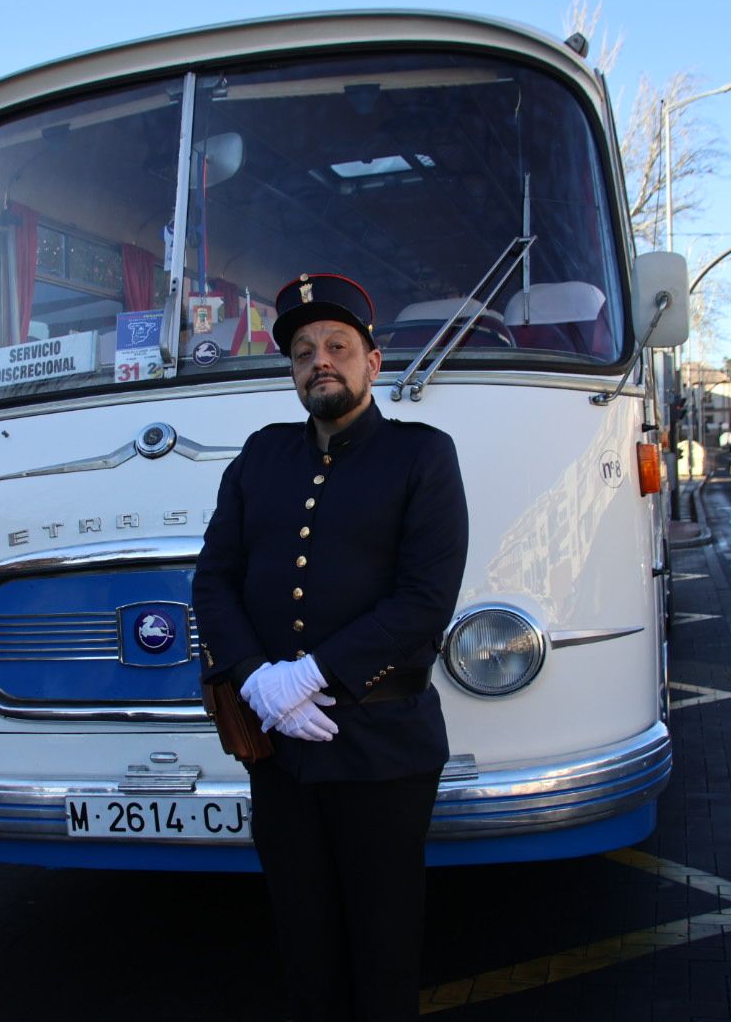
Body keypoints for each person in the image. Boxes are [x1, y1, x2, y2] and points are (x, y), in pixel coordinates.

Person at [193, 272, 469, 1021]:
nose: (321, 360)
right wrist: (256, 684)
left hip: (382, 747)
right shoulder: (261, 456)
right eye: (303, 350)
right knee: (302, 945)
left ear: (373, 363)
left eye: (338, 346)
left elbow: (424, 600)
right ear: (291, 371)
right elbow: (213, 579)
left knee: (384, 952)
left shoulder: (422, 456)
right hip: (280, 748)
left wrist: (312, 674)